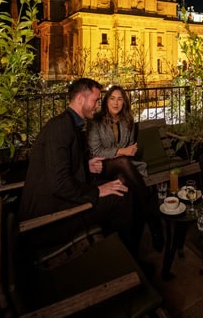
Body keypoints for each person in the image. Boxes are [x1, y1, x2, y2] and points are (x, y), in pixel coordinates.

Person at [18, 78, 137, 255]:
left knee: (119, 187)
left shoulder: (67, 124)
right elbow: (59, 184)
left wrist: (85, 166)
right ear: (81, 98)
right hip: (49, 219)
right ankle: (127, 259)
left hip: (61, 201)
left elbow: (59, 166)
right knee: (121, 197)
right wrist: (96, 192)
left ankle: (114, 253)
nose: (97, 105)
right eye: (95, 100)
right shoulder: (61, 128)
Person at [86, 85, 164, 252]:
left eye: (120, 99)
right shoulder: (96, 122)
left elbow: (130, 146)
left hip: (125, 167)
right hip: (103, 167)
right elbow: (96, 151)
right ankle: (153, 218)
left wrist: (128, 151)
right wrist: (122, 152)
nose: (116, 103)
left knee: (123, 183)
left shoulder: (127, 121)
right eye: (112, 98)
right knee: (122, 163)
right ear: (106, 101)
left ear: (124, 102)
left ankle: (129, 246)